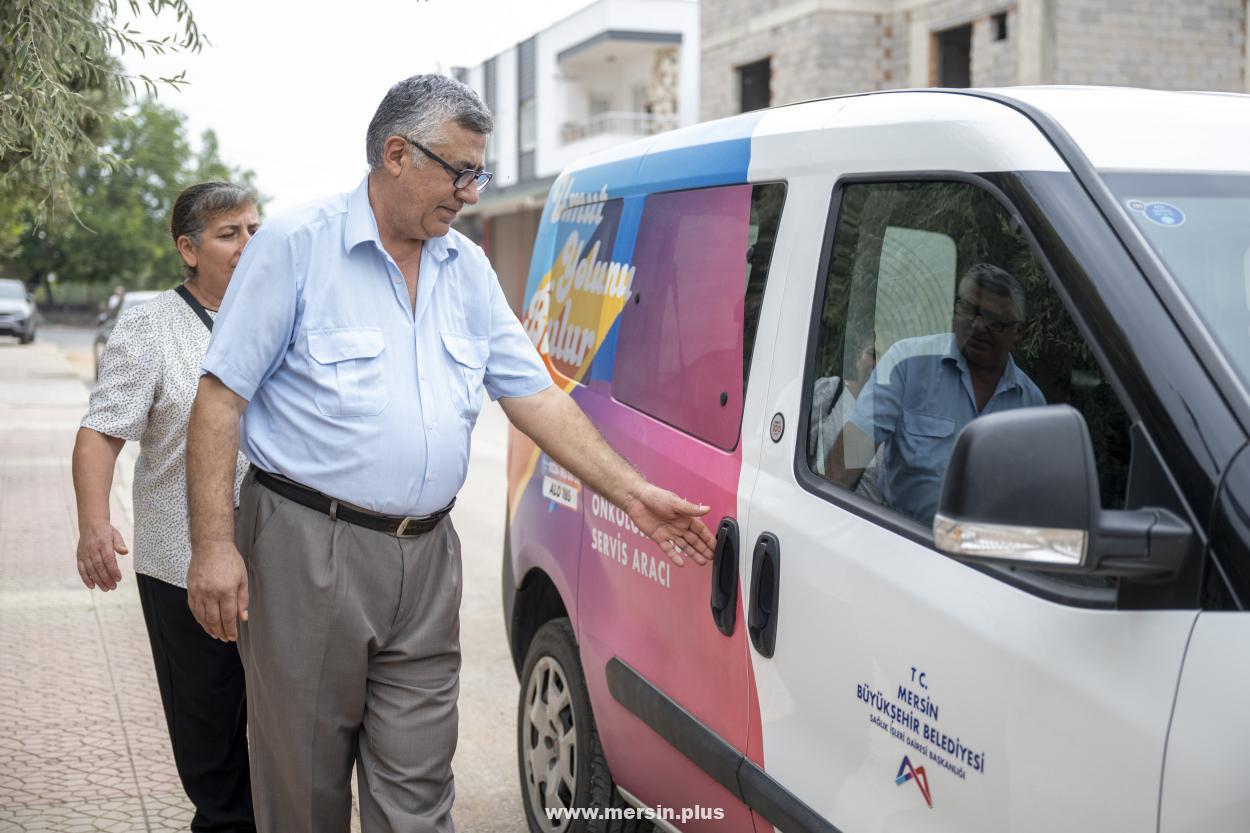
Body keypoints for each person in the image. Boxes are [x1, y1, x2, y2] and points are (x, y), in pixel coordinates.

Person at [184, 74, 716, 833]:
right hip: (306, 551)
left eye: (479, 173)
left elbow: (534, 396)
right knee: (304, 795)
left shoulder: (465, 270)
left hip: (427, 560)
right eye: (460, 170)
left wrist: (631, 491)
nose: (470, 192)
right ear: (396, 154)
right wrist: (212, 546)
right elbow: (219, 399)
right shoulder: (296, 248)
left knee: (421, 796)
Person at [72, 182, 260, 832]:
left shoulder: (276, 314)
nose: (246, 245)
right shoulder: (152, 325)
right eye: (228, 233)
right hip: (185, 569)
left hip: (280, 565)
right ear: (188, 248)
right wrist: (95, 524)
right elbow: (101, 432)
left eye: (254, 231)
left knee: (278, 749)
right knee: (216, 760)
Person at [825, 263, 1045, 524]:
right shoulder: (906, 363)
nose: (977, 326)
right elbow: (851, 452)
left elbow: (1035, 502)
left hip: (987, 557)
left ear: (1018, 331)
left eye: (994, 321)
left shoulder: (1031, 405)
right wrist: (824, 524)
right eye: (969, 310)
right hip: (902, 540)